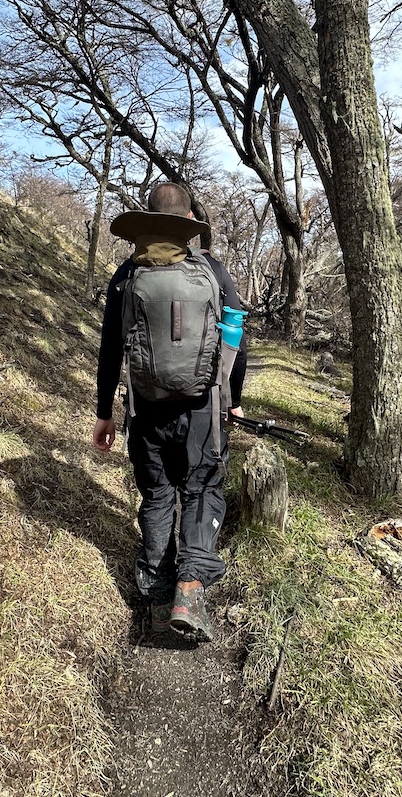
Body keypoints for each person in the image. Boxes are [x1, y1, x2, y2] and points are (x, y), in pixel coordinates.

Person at [92, 182, 247, 641]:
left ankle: (158, 598)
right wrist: (232, 399)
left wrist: (105, 411)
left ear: (147, 222)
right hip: (203, 410)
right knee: (202, 490)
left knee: (158, 495)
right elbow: (236, 341)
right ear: (187, 226)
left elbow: (110, 349)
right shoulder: (214, 272)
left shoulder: (125, 275)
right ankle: (190, 587)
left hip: (145, 410)